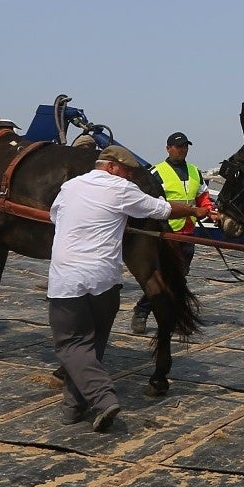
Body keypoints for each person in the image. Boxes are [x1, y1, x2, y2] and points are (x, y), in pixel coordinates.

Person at [49, 145, 201, 431]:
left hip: (67, 280)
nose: (130, 178)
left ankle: (104, 398)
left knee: (70, 344)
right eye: (128, 172)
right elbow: (163, 209)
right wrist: (195, 210)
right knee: (92, 346)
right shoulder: (122, 190)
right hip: (105, 282)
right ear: (112, 166)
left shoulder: (69, 187)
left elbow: (54, 218)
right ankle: (72, 408)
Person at [132, 131, 203, 336]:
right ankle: (142, 312)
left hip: (187, 232)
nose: (182, 150)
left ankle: (167, 314)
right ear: (168, 148)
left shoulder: (195, 171)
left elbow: (202, 196)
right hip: (163, 232)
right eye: (178, 146)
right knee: (161, 276)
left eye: (185, 146)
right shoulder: (156, 172)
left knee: (178, 276)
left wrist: (208, 210)